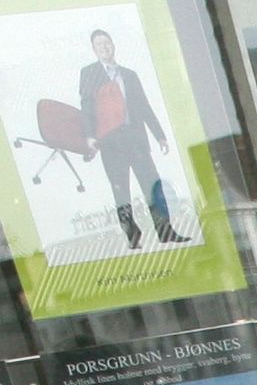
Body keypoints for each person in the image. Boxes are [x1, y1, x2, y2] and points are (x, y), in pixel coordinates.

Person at [79, 29, 189, 249]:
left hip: (136, 139)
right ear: (94, 50)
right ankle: (132, 235)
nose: (104, 48)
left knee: (152, 186)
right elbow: (87, 107)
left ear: (113, 45)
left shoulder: (129, 75)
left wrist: (160, 136)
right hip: (110, 142)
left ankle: (165, 231)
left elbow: (143, 106)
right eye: (99, 45)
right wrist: (90, 137)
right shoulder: (89, 73)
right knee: (121, 190)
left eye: (107, 43)